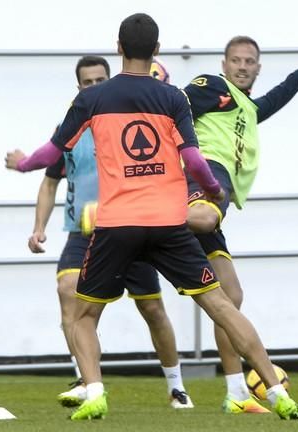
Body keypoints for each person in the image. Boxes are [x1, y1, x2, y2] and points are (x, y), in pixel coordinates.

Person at [5, 13, 298, 421]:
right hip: (168, 222)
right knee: (220, 305)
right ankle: (275, 390)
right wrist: (215, 191)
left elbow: (52, 152)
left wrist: (22, 165)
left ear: (118, 48)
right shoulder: (172, 98)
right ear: (158, 51)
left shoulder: (92, 99)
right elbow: (195, 160)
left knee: (83, 314)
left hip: (117, 224)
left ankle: (94, 391)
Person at [181, 36, 298, 414]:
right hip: (203, 177)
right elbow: (175, 104)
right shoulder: (212, 86)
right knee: (204, 216)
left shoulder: (246, 106)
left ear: (258, 67)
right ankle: (140, 212)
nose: (242, 66)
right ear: (224, 63)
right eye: (236, 60)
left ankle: (236, 393)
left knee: (230, 297)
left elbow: (275, 99)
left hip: (218, 187)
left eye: (249, 61)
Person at [27, 55, 192, 409]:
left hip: (127, 227)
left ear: (111, 79)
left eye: (100, 80)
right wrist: (38, 228)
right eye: (87, 83)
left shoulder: (124, 121)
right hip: (83, 233)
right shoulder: (70, 127)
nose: (94, 87)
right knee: (67, 290)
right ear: (79, 88)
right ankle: (88, 381)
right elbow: (49, 180)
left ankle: (177, 387)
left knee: (152, 308)